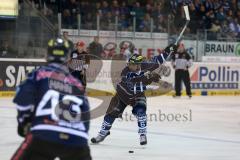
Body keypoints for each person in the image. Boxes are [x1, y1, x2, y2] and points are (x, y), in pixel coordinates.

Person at [11, 38, 92, 160]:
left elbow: (23, 99)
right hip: (77, 139)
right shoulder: (77, 84)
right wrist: (81, 136)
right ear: (67, 57)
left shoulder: (38, 74)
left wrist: (24, 122)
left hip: (44, 133)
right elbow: (86, 114)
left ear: (47, 55)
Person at [91, 44, 177, 145]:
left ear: (138, 65)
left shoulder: (146, 66)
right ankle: (103, 133)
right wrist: (149, 86)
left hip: (137, 95)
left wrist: (168, 50)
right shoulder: (125, 72)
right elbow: (132, 86)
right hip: (122, 94)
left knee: (141, 112)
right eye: (129, 63)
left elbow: (158, 60)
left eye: (132, 64)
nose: (129, 65)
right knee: (111, 113)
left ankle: (142, 134)